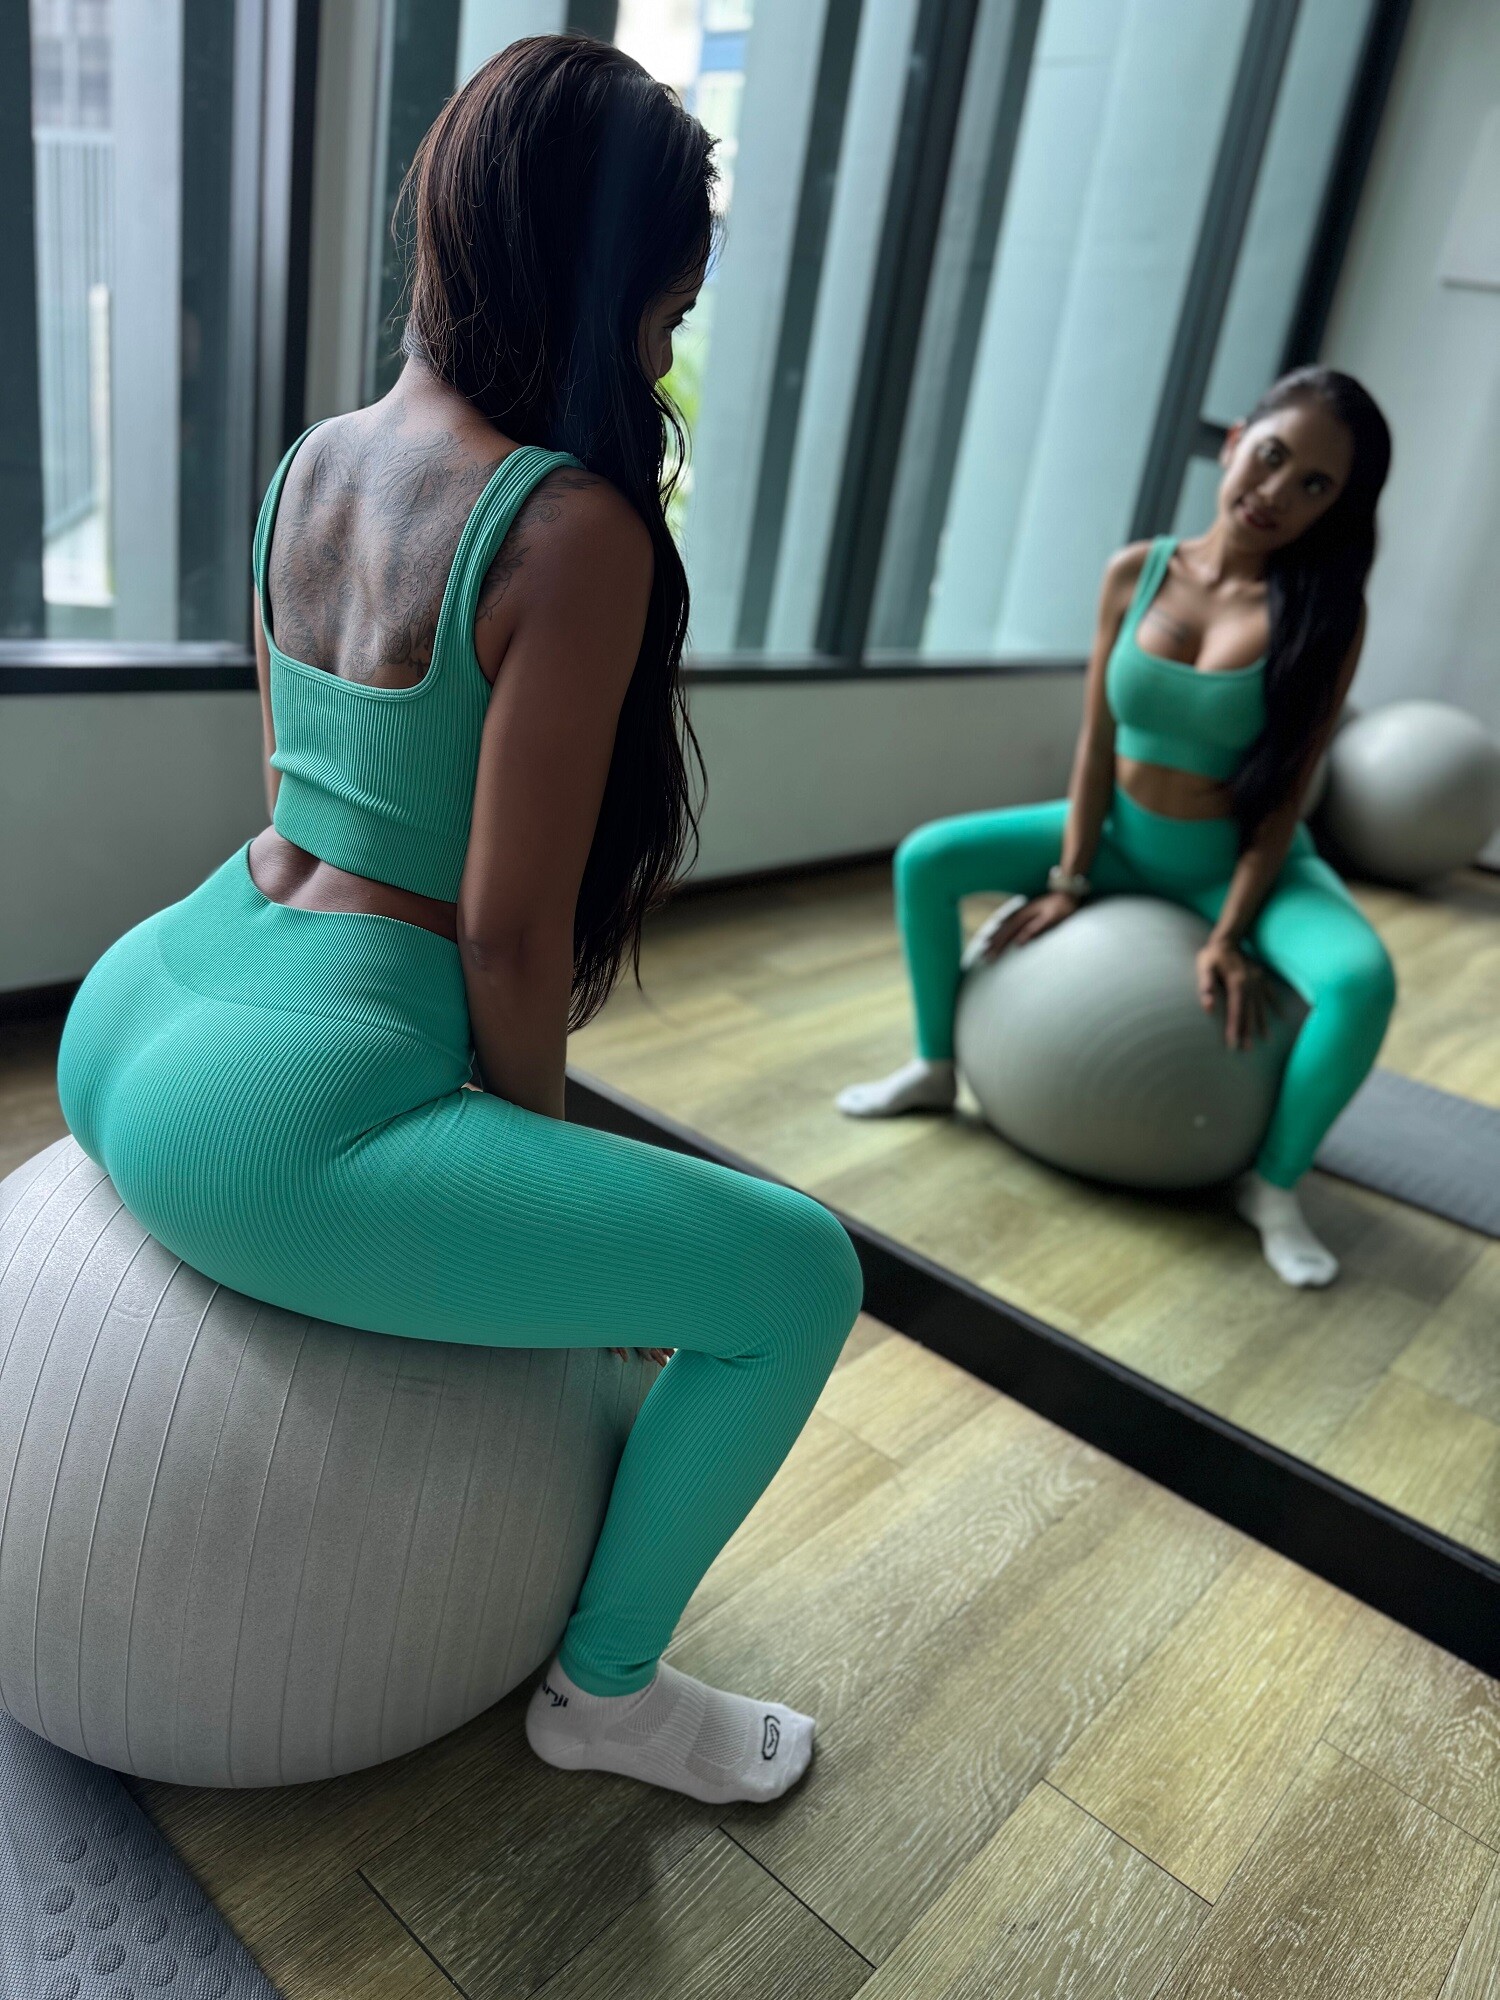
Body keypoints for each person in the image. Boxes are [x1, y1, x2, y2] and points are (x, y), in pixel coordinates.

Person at [56, 37, 862, 1806]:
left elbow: (299, 791)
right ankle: (610, 1695)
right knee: (799, 1275)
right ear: (606, 279)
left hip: (141, 1000)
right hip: (276, 1109)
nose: (660, 358)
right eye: (664, 315)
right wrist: (553, 1204)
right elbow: (504, 933)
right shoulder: (569, 527)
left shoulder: (313, 461)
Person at [839, 368, 1396, 1289]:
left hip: (1231, 863)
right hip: (1117, 839)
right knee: (927, 859)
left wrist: (1230, 933)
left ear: (1336, 507)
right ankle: (935, 1065)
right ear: (1236, 442)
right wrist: (1071, 875)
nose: (1276, 492)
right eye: (1270, 457)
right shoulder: (1137, 571)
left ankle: (1272, 1186)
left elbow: (1286, 795)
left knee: (1361, 982)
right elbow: (1097, 741)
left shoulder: (1326, 617)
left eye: (1314, 485)